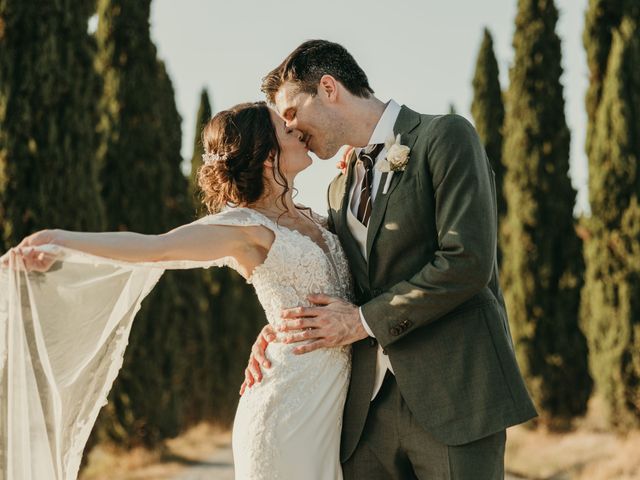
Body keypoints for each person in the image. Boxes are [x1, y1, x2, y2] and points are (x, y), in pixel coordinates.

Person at [3, 101, 352, 479]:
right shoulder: (246, 230)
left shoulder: (315, 216)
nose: (297, 130)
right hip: (287, 412)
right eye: (286, 130)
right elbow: (158, 248)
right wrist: (59, 241)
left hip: (327, 407)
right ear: (268, 157)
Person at [242, 40, 538, 479]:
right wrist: (282, 327)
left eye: (290, 112)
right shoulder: (339, 189)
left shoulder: (445, 137)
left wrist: (360, 322)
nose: (290, 129)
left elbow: (467, 261)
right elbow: (336, 277)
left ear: (327, 87)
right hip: (365, 415)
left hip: (454, 398)